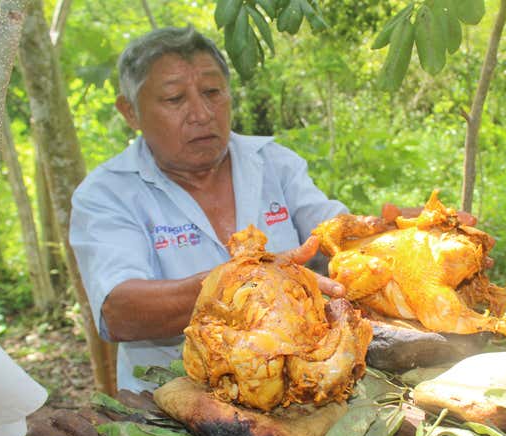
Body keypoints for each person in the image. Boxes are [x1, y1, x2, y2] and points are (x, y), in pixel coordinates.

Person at [69, 26, 349, 392]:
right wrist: (249, 282)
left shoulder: (274, 164)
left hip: (293, 388)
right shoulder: (108, 193)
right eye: (174, 99)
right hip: (167, 405)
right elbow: (120, 311)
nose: (201, 114)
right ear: (130, 112)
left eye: (212, 92)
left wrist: (398, 233)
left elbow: (335, 234)